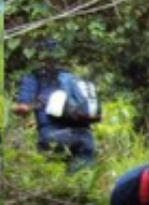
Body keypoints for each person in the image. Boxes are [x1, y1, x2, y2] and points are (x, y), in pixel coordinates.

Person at [13, 38, 96, 170]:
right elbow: (86, 108)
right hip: (81, 136)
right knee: (82, 165)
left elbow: (21, 109)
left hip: (50, 137)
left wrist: (33, 106)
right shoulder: (68, 77)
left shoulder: (33, 77)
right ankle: (77, 184)